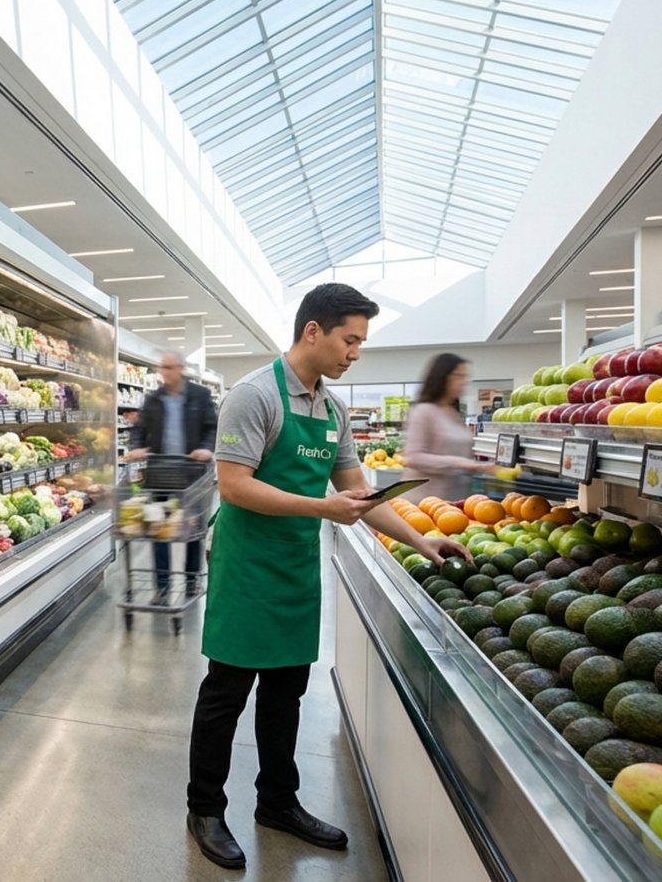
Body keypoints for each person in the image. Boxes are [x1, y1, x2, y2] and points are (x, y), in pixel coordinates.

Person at [187, 284, 469, 869]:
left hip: (293, 568)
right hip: (246, 567)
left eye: (361, 342)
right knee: (226, 695)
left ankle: (277, 801)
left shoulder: (332, 409)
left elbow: (356, 493)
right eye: (350, 339)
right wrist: (320, 509)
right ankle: (205, 808)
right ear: (312, 331)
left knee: (286, 694)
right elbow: (235, 486)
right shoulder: (253, 394)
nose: (355, 353)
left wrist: (421, 538)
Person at [124, 352, 218, 603]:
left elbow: (211, 426)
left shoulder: (200, 396)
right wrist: (136, 447)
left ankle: (190, 581)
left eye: (168, 367)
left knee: (192, 531)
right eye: (161, 367)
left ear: (180, 368)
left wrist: (207, 447)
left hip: (191, 476)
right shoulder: (153, 399)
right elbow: (140, 430)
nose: (163, 372)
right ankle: (163, 586)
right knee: (159, 530)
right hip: (160, 474)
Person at [401, 353, 496, 501]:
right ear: (442, 377)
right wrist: (464, 464)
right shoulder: (423, 411)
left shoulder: (452, 413)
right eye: (458, 376)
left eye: (465, 376)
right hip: (425, 503)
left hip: (454, 501)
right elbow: (413, 458)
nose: (464, 382)